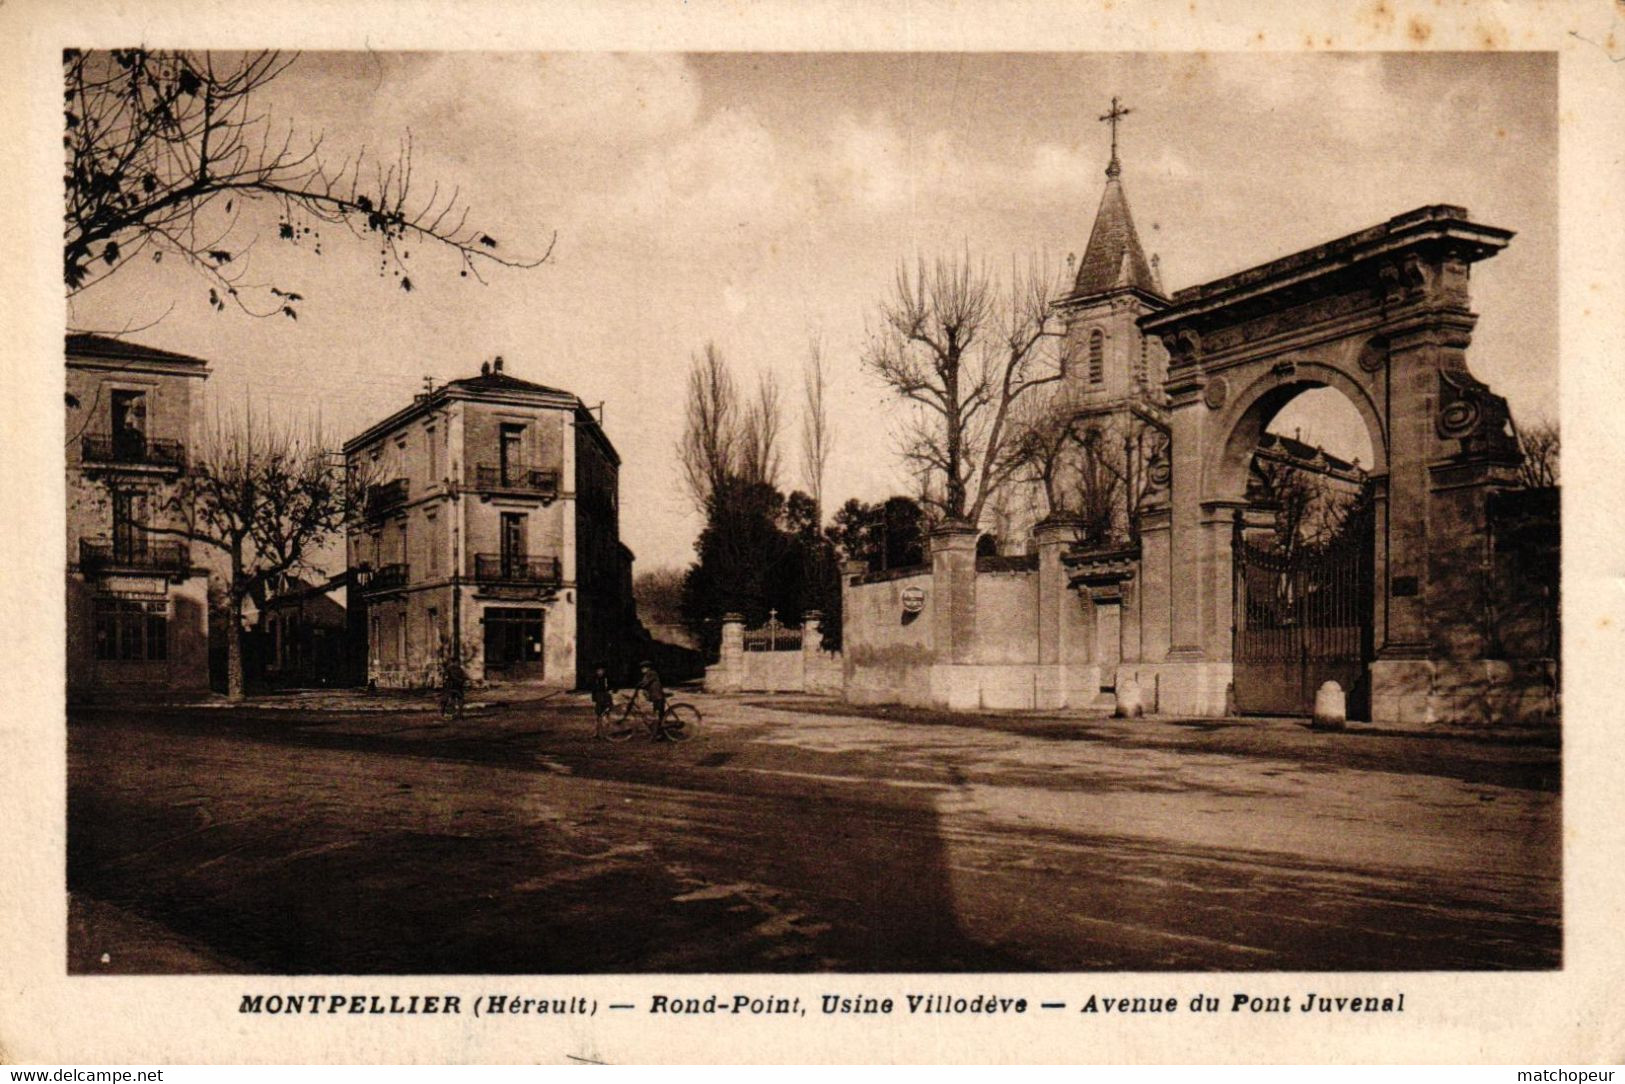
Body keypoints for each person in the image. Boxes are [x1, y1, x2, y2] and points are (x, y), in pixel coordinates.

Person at [634, 659, 670, 738]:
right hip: (655, 697)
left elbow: (645, 683)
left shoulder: (651, 673)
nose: (642, 670)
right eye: (641, 668)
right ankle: (658, 732)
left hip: (658, 697)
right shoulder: (648, 674)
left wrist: (638, 685)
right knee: (658, 714)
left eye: (643, 668)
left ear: (648, 668)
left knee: (658, 715)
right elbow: (644, 682)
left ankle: (659, 734)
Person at [589, 664, 615, 739]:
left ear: (604, 671)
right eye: (598, 671)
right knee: (598, 716)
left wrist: (611, 691)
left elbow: (612, 687)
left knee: (606, 716)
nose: (600, 672)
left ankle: (607, 733)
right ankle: (597, 733)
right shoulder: (595, 679)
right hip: (599, 699)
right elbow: (593, 690)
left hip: (606, 698)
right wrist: (594, 698)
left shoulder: (607, 678)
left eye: (601, 670)